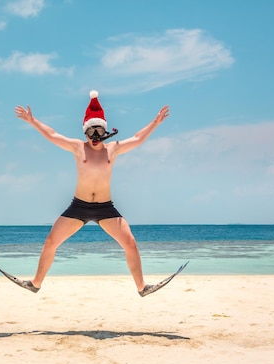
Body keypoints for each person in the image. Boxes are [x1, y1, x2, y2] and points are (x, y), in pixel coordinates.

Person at [11, 90, 171, 297]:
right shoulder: (78, 148)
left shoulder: (112, 149)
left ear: (105, 131)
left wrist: (155, 122)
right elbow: (52, 135)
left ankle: (142, 287)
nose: (95, 137)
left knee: (130, 243)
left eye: (99, 132)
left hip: (105, 208)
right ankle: (35, 283)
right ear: (85, 132)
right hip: (79, 206)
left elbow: (138, 138)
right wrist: (32, 121)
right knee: (51, 241)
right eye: (91, 132)